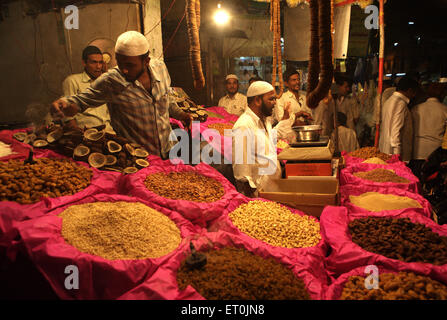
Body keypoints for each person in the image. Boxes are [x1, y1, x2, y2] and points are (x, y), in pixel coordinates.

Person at [50, 31, 192, 159]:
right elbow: (81, 100)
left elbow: (166, 98)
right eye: (119, 63)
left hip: (169, 152)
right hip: (138, 159)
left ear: (146, 61)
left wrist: (180, 114)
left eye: (130, 65)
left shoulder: (160, 67)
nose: (124, 70)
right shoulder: (112, 80)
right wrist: (64, 104)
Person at [232, 81, 294, 197]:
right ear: (257, 100)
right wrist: (254, 201)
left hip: (273, 190)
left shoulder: (265, 121)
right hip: (259, 196)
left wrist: (286, 117)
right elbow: (242, 174)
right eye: (271, 99)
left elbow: (271, 138)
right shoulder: (244, 125)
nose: (275, 103)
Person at [60, 46, 114, 133]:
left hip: (108, 130)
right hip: (86, 132)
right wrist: (76, 132)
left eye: (100, 62)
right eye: (94, 62)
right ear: (84, 63)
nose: (98, 66)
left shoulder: (104, 82)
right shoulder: (73, 81)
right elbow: (67, 114)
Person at [410, 80, 447, 179]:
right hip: (435, 155)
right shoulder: (445, 110)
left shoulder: (416, 109)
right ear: (443, 94)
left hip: (417, 151)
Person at [378, 76, 419, 162]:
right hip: (393, 155)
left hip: (387, 152)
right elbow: (395, 132)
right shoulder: (399, 104)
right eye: (414, 93)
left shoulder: (390, 101)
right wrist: (397, 158)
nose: (414, 96)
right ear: (410, 90)